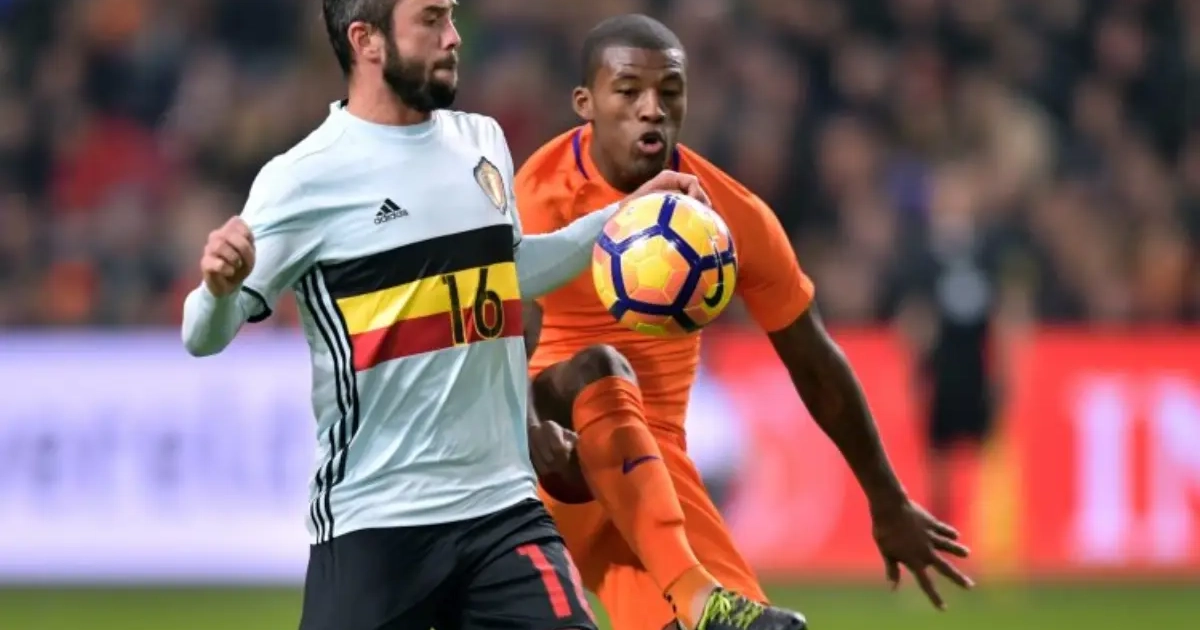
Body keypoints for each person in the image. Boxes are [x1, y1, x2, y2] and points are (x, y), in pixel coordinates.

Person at [180, 2, 704, 629]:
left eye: (450, 16)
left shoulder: (480, 140)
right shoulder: (303, 179)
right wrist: (218, 290)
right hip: (377, 522)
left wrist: (627, 216)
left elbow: (511, 270)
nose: (454, 37)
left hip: (503, 510)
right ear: (366, 40)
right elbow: (201, 336)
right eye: (431, 20)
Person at [517, 14, 976, 630]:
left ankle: (693, 598)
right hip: (547, 459)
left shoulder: (729, 217)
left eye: (669, 92)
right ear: (586, 103)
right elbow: (495, 339)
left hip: (652, 479)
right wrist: (525, 425)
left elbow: (814, 361)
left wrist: (886, 498)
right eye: (627, 91)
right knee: (597, 368)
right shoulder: (535, 192)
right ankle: (695, 595)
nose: (652, 109)